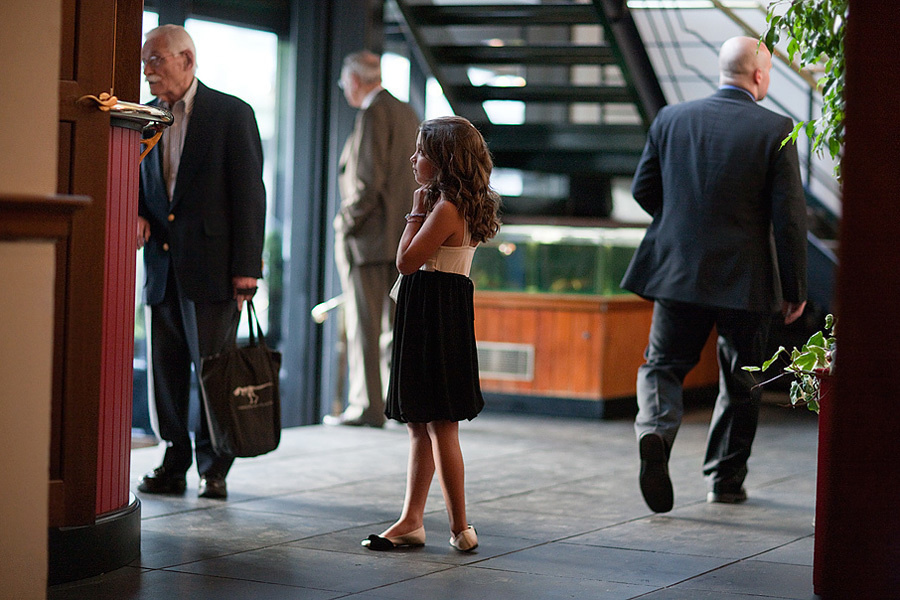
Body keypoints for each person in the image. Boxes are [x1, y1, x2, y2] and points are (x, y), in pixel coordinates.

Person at [620, 36, 808, 513]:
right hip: (746, 281)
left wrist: (684, 222)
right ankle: (725, 480)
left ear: (721, 70)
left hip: (677, 270)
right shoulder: (775, 129)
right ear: (760, 76)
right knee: (743, 376)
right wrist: (795, 288)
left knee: (662, 365)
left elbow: (644, 189)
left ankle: (657, 433)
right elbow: (789, 219)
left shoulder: (672, 119)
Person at [135, 25, 266, 500]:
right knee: (165, 374)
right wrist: (135, 214)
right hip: (161, 268)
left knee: (213, 371)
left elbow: (250, 195)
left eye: (156, 60)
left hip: (213, 269)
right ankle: (173, 461)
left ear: (187, 61)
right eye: (145, 60)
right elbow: (133, 180)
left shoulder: (231, 114)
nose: (147, 70)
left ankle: (215, 467)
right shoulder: (144, 116)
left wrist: (247, 268)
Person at [360, 116, 500, 552]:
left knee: (440, 424)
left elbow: (405, 261)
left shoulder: (444, 209)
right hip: (438, 308)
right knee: (422, 423)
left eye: (421, 151)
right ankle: (411, 520)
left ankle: (460, 526)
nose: (413, 158)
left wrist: (415, 211)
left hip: (433, 312)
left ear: (443, 160)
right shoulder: (460, 203)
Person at [325, 50, 420, 428]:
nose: (342, 87)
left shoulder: (372, 113)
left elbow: (366, 182)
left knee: (365, 326)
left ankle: (367, 408)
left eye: (343, 80)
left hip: (368, 241)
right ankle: (398, 406)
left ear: (355, 80)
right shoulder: (407, 111)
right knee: (396, 328)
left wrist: (343, 223)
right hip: (401, 239)